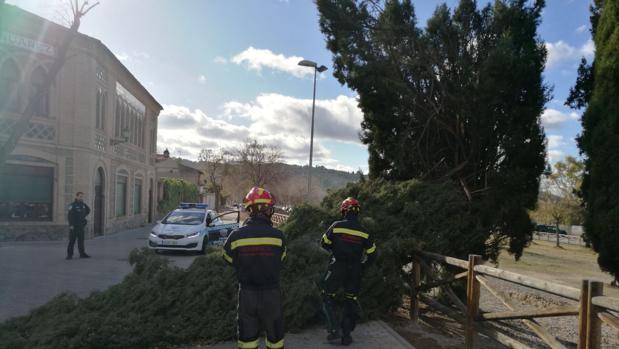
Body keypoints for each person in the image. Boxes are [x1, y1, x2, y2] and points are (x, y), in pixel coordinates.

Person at [223, 187, 287, 349]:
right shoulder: (278, 237)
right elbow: (282, 260)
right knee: (275, 338)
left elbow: (228, 259)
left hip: (247, 294)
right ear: (267, 210)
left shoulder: (236, 236)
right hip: (272, 294)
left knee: (247, 340)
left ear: (250, 209)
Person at [320, 197, 376, 346]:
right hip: (355, 270)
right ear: (358, 212)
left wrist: (335, 251)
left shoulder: (336, 226)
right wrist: (362, 266)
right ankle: (346, 335)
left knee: (327, 295)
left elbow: (323, 243)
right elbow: (373, 253)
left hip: (337, 267)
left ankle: (334, 329)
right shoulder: (365, 232)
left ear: (344, 211)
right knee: (350, 300)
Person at [66, 192, 91, 259]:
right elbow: (69, 216)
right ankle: (69, 255)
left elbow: (88, 210)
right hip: (74, 226)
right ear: (76, 196)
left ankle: (82, 254)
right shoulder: (72, 205)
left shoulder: (83, 205)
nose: (81, 198)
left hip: (81, 226)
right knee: (72, 241)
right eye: (80, 196)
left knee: (81, 241)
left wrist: (83, 216)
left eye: (82, 196)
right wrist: (71, 225)